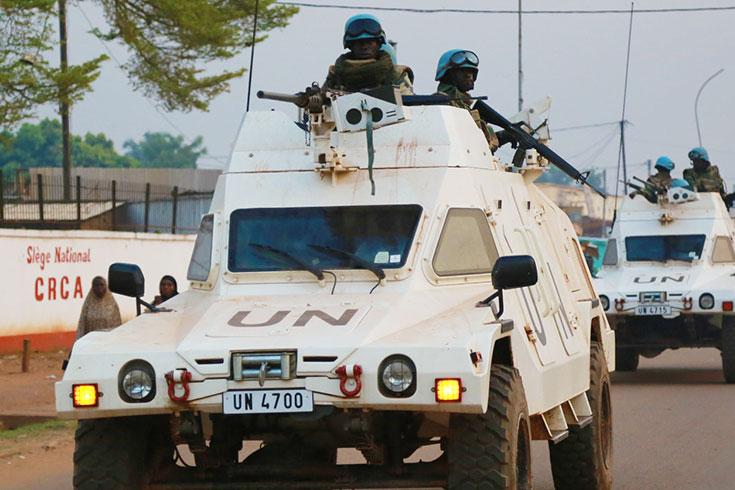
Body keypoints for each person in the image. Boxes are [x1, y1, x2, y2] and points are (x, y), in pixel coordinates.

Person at [434, 49, 509, 151]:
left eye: (471, 72)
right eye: (463, 71)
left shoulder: (464, 104)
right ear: (448, 74)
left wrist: (504, 135)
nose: (469, 75)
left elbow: (479, 143)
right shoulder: (443, 103)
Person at [323, 14, 414, 95]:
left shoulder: (395, 74)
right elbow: (321, 101)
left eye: (370, 42)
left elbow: (407, 102)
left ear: (379, 44)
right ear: (350, 45)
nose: (364, 47)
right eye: (359, 43)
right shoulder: (336, 74)